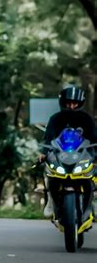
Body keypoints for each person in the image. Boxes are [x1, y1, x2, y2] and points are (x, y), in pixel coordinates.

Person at [40, 86, 96, 217]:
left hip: (83, 155)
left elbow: (94, 137)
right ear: (63, 103)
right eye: (68, 103)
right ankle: (51, 199)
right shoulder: (55, 118)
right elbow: (48, 138)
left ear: (80, 103)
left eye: (74, 103)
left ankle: (92, 202)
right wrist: (43, 152)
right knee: (49, 172)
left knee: (91, 175)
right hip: (60, 155)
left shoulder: (86, 119)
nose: (71, 106)